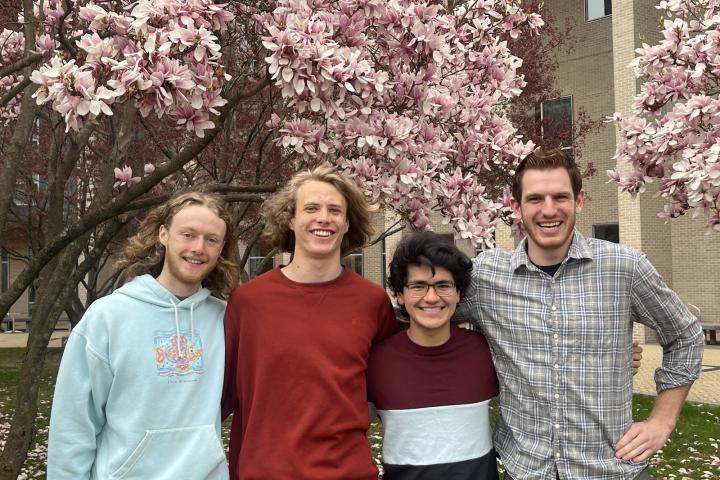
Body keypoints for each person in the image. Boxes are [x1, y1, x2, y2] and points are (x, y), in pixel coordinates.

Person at [459, 149, 704, 480]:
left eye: (560, 196)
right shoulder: (486, 277)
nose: (549, 210)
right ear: (516, 207)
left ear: (579, 200)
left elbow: (685, 335)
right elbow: (424, 316)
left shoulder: (625, 268)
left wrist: (663, 420)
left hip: (613, 468)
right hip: (527, 468)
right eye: (535, 199)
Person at [47, 192, 239, 480]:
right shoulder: (108, 317)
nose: (198, 247)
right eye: (188, 234)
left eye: (211, 239)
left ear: (221, 248)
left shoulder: (225, 320)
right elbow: (73, 425)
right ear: (164, 234)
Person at [222, 165, 397, 480]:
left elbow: (390, 388)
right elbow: (218, 399)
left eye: (335, 210)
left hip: (349, 473)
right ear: (291, 219)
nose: (323, 218)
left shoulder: (373, 302)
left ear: (346, 223)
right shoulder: (248, 303)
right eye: (311, 208)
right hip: (265, 472)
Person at [367, 231, 500, 479]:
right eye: (418, 286)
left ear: (458, 294)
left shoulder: (485, 352)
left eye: (443, 285)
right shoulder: (376, 361)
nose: (431, 297)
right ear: (399, 294)